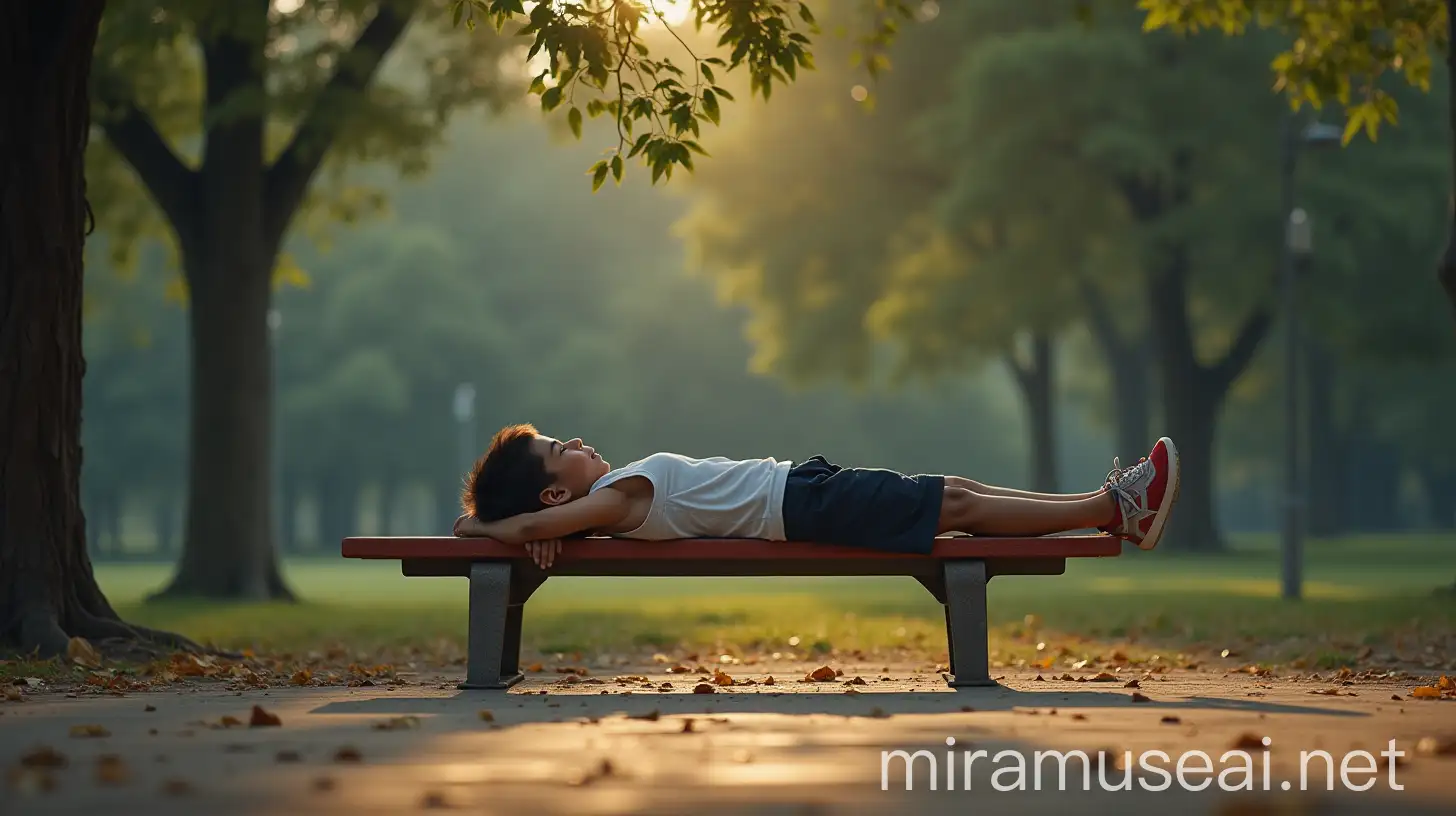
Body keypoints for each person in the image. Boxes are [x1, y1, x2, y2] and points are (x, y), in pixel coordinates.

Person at [453, 424, 1180, 569]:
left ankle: (1109, 504)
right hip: (800, 507)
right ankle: (1113, 508)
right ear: (554, 493)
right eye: (561, 451)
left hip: (802, 487)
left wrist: (510, 527)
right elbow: (504, 529)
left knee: (955, 492)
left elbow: (509, 527)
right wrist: (500, 530)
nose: (576, 442)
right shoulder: (613, 500)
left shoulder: (604, 497)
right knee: (954, 507)